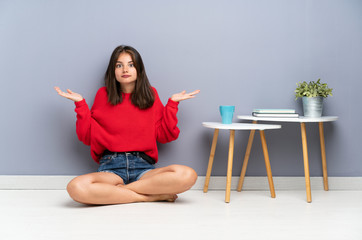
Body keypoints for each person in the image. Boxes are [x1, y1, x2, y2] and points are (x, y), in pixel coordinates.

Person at [55, 45, 200, 205]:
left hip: (144, 168)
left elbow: (165, 136)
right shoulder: (103, 95)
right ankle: (149, 196)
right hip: (111, 168)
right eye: (119, 65)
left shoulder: (151, 94)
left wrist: (172, 105)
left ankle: (118, 193)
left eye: (131, 65)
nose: (125, 69)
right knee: (76, 187)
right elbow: (87, 137)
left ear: (139, 69)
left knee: (187, 175)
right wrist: (81, 105)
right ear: (113, 70)